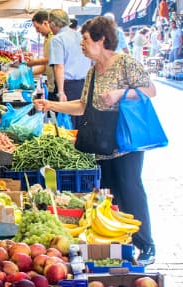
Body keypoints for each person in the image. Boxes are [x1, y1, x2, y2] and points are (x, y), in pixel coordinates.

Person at [33, 16, 157, 265]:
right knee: (111, 195)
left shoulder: (124, 63)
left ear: (101, 40)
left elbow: (150, 90)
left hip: (124, 141)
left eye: (86, 40)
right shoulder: (92, 72)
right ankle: (122, 243)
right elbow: (82, 106)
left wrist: (120, 93)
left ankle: (146, 244)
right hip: (101, 144)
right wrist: (51, 104)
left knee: (130, 188)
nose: (82, 44)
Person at [47, 9, 90, 129]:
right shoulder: (80, 36)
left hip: (68, 86)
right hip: (84, 84)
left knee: (67, 126)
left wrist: (61, 91)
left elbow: (59, 66)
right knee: (80, 122)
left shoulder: (57, 39)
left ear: (53, 24)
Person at [27, 11, 56, 97]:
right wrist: (26, 74)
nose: (37, 31)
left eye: (38, 28)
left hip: (58, 84)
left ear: (45, 23)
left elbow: (51, 60)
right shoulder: (47, 38)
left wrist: (34, 62)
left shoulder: (54, 38)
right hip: (51, 85)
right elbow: (45, 67)